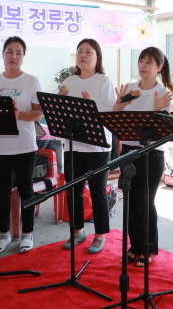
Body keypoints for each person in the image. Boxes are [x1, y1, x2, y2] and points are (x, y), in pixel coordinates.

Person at [113, 46, 173, 267]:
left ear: (159, 67)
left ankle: (148, 248)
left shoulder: (163, 92)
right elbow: (115, 117)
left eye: (149, 62)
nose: (143, 65)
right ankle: (134, 247)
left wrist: (158, 110)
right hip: (128, 151)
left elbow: (166, 130)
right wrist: (119, 104)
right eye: (141, 60)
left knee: (146, 202)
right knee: (130, 201)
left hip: (152, 154)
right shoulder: (129, 88)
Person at [0, 36, 43, 254]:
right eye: (9, 52)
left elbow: (39, 112)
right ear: (3, 54)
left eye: (18, 53)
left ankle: (27, 234)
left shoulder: (31, 80)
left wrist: (18, 114)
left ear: (23, 57)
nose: (13, 56)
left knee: (27, 190)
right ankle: (4, 234)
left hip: (25, 145)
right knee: (3, 190)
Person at [59, 38, 117, 254]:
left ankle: (100, 236)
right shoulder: (69, 81)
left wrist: (91, 103)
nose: (83, 55)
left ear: (97, 57)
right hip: (73, 145)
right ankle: (77, 232)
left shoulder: (104, 81)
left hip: (97, 147)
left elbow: (111, 112)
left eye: (88, 51)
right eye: (80, 51)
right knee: (73, 191)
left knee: (98, 192)